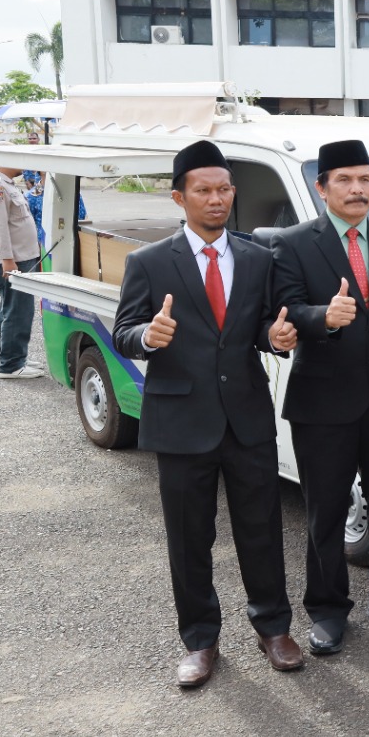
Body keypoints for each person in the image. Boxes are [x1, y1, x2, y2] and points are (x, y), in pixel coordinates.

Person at [111, 140, 303, 688]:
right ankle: (199, 639)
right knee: (189, 537)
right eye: (203, 191)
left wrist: (275, 337)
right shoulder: (149, 262)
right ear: (180, 197)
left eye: (223, 190)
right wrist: (147, 336)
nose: (215, 199)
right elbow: (125, 331)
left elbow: (264, 326)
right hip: (180, 422)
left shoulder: (257, 258)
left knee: (261, 530)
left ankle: (274, 628)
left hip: (246, 418)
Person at [271, 139, 369, 654]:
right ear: (322, 188)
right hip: (323, 400)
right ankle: (327, 609)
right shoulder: (293, 244)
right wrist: (322, 317)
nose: (357, 189)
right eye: (344, 180)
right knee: (325, 510)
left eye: (365, 179)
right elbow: (284, 309)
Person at [0, 163, 44, 378]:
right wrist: (7, 260)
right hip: (13, 260)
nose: (21, 165)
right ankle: (11, 365)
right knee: (18, 311)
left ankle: (16, 356)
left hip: (19, 258)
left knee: (11, 309)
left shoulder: (4, 184)